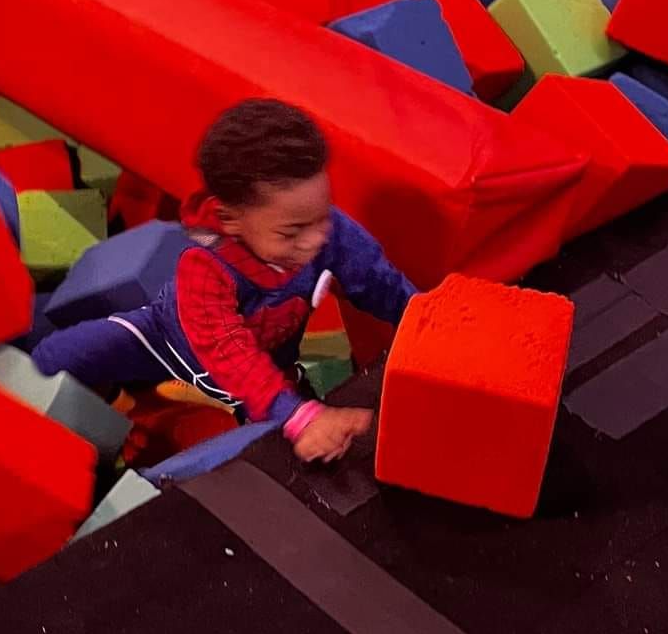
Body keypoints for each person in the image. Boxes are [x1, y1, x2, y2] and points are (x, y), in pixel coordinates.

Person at [32, 98, 417, 464]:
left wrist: (423, 319)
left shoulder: (331, 235)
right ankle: (86, 408)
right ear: (230, 220)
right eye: (291, 232)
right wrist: (295, 416)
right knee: (55, 357)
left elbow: (381, 284)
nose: (315, 239)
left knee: (302, 455)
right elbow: (225, 348)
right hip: (169, 344)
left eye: (322, 217)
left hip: (270, 365)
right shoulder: (204, 263)